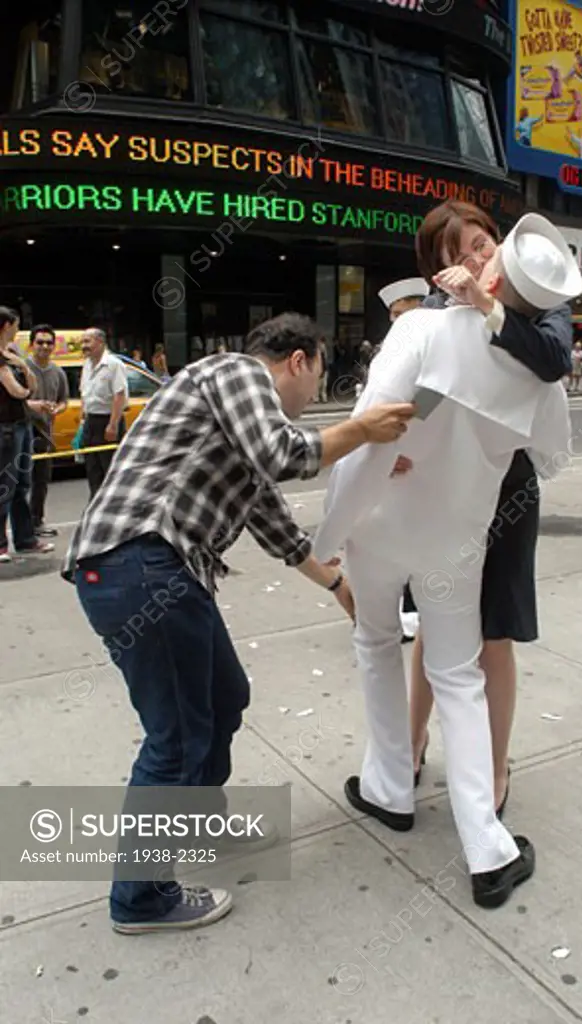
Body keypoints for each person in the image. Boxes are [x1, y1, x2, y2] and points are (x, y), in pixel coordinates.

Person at [62, 312, 414, 934]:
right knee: (175, 740)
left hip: (153, 570)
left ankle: (195, 824)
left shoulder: (233, 421)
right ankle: (140, 897)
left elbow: (272, 520)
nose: (311, 399)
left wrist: (337, 584)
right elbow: (284, 456)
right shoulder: (239, 373)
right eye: (319, 378)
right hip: (142, 561)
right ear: (299, 360)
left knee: (227, 698)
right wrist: (361, 429)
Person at [314, 214, 580, 909]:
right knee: (456, 676)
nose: (475, 257)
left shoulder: (419, 330)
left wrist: (326, 537)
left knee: (376, 644)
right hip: (457, 539)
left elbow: (373, 438)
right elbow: (550, 453)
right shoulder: (532, 370)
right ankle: (485, 848)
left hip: (383, 525)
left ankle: (389, 787)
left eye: (482, 247)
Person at [408, 199, 573, 811]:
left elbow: (556, 358)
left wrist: (487, 304)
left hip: (508, 485)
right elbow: (416, 385)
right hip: (443, 482)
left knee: (494, 630)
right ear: (437, 272)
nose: (478, 260)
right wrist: (399, 446)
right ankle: (411, 740)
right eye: (460, 255)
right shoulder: (432, 313)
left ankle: (496, 765)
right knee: (434, 617)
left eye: (482, 244)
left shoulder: (539, 291)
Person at [377, 278, 431, 642]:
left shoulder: (434, 348)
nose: (395, 321)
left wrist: (406, 444)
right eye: (392, 315)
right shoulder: (393, 348)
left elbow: (431, 401)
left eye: (402, 313)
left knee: (418, 539)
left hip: (421, 457)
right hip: (392, 453)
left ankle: (413, 609)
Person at [0, 307, 54, 562]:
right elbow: (17, 391)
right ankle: (0, 544)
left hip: (22, 424)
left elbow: (29, 386)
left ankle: (25, 539)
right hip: (5, 426)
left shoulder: (13, 354)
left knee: (22, 483)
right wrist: (24, 386)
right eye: (15, 325)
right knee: (5, 485)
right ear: (5, 325)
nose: (17, 331)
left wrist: (21, 366)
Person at [26, 324, 69, 537]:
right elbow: (15, 402)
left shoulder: (58, 372)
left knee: (41, 480)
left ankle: (36, 522)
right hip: (22, 432)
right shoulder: (22, 369)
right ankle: (18, 529)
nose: (44, 346)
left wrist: (56, 409)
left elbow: (64, 401)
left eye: (48, 342)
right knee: (17, 483)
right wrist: (36, 405)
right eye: (40, 342)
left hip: (45, 433)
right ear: (31, 344)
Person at [79, 327, 128, 499]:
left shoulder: (114, 364)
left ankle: (113, 506)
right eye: (83, 341)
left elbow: (119, 395)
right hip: (91, 422)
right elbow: (84, 394)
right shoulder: (87, 364)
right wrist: (82, 420)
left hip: (107, 421)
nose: (83, 345)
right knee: (93, 470)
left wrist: (113, 424)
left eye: (87, 341)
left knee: (110, 470)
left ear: (100, 342)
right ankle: (96, 505)